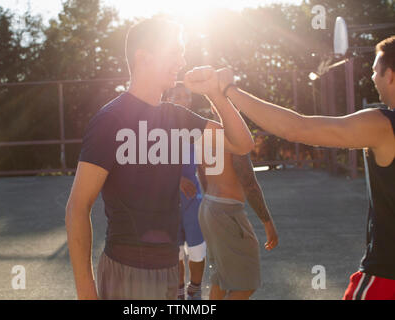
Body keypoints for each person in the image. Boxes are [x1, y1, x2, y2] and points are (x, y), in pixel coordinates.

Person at [65, 18, 254, 300]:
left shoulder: (177, 117)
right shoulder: (111, 120)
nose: (182, 60)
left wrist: (216, 92)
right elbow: (78, 206)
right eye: (174, 51)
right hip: (127, 270)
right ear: (143, 57)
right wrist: (86, 293)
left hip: (168, 270)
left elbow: (241, 143)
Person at [213, 35, 395, 300]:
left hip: (387, 278)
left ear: (390, 75)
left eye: (376, 71)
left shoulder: (384, 125)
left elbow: (297, 128)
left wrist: (229, 89)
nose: (373, 77)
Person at [196, 105, 278, 300]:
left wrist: (212, 205)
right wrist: (268, 223)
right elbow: (249, 183)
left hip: (208, 207)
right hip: (226, 211)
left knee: (220, 280)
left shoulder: (205, 134)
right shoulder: (235, 136)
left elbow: (202, 173)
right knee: (245, 285)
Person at [166, 83, 206, 300]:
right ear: (170, 98)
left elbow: (205, 165)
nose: (184, 100)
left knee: (198, 250)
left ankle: (195, 292)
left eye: (187, 96)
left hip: (193, 199)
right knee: (176, 252)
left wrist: (210, 196)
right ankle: (180, 292)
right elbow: (148, 166)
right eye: (179, 96)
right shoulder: (158, 127)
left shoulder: (195, 126)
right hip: (168, 201)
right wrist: (176, 178)